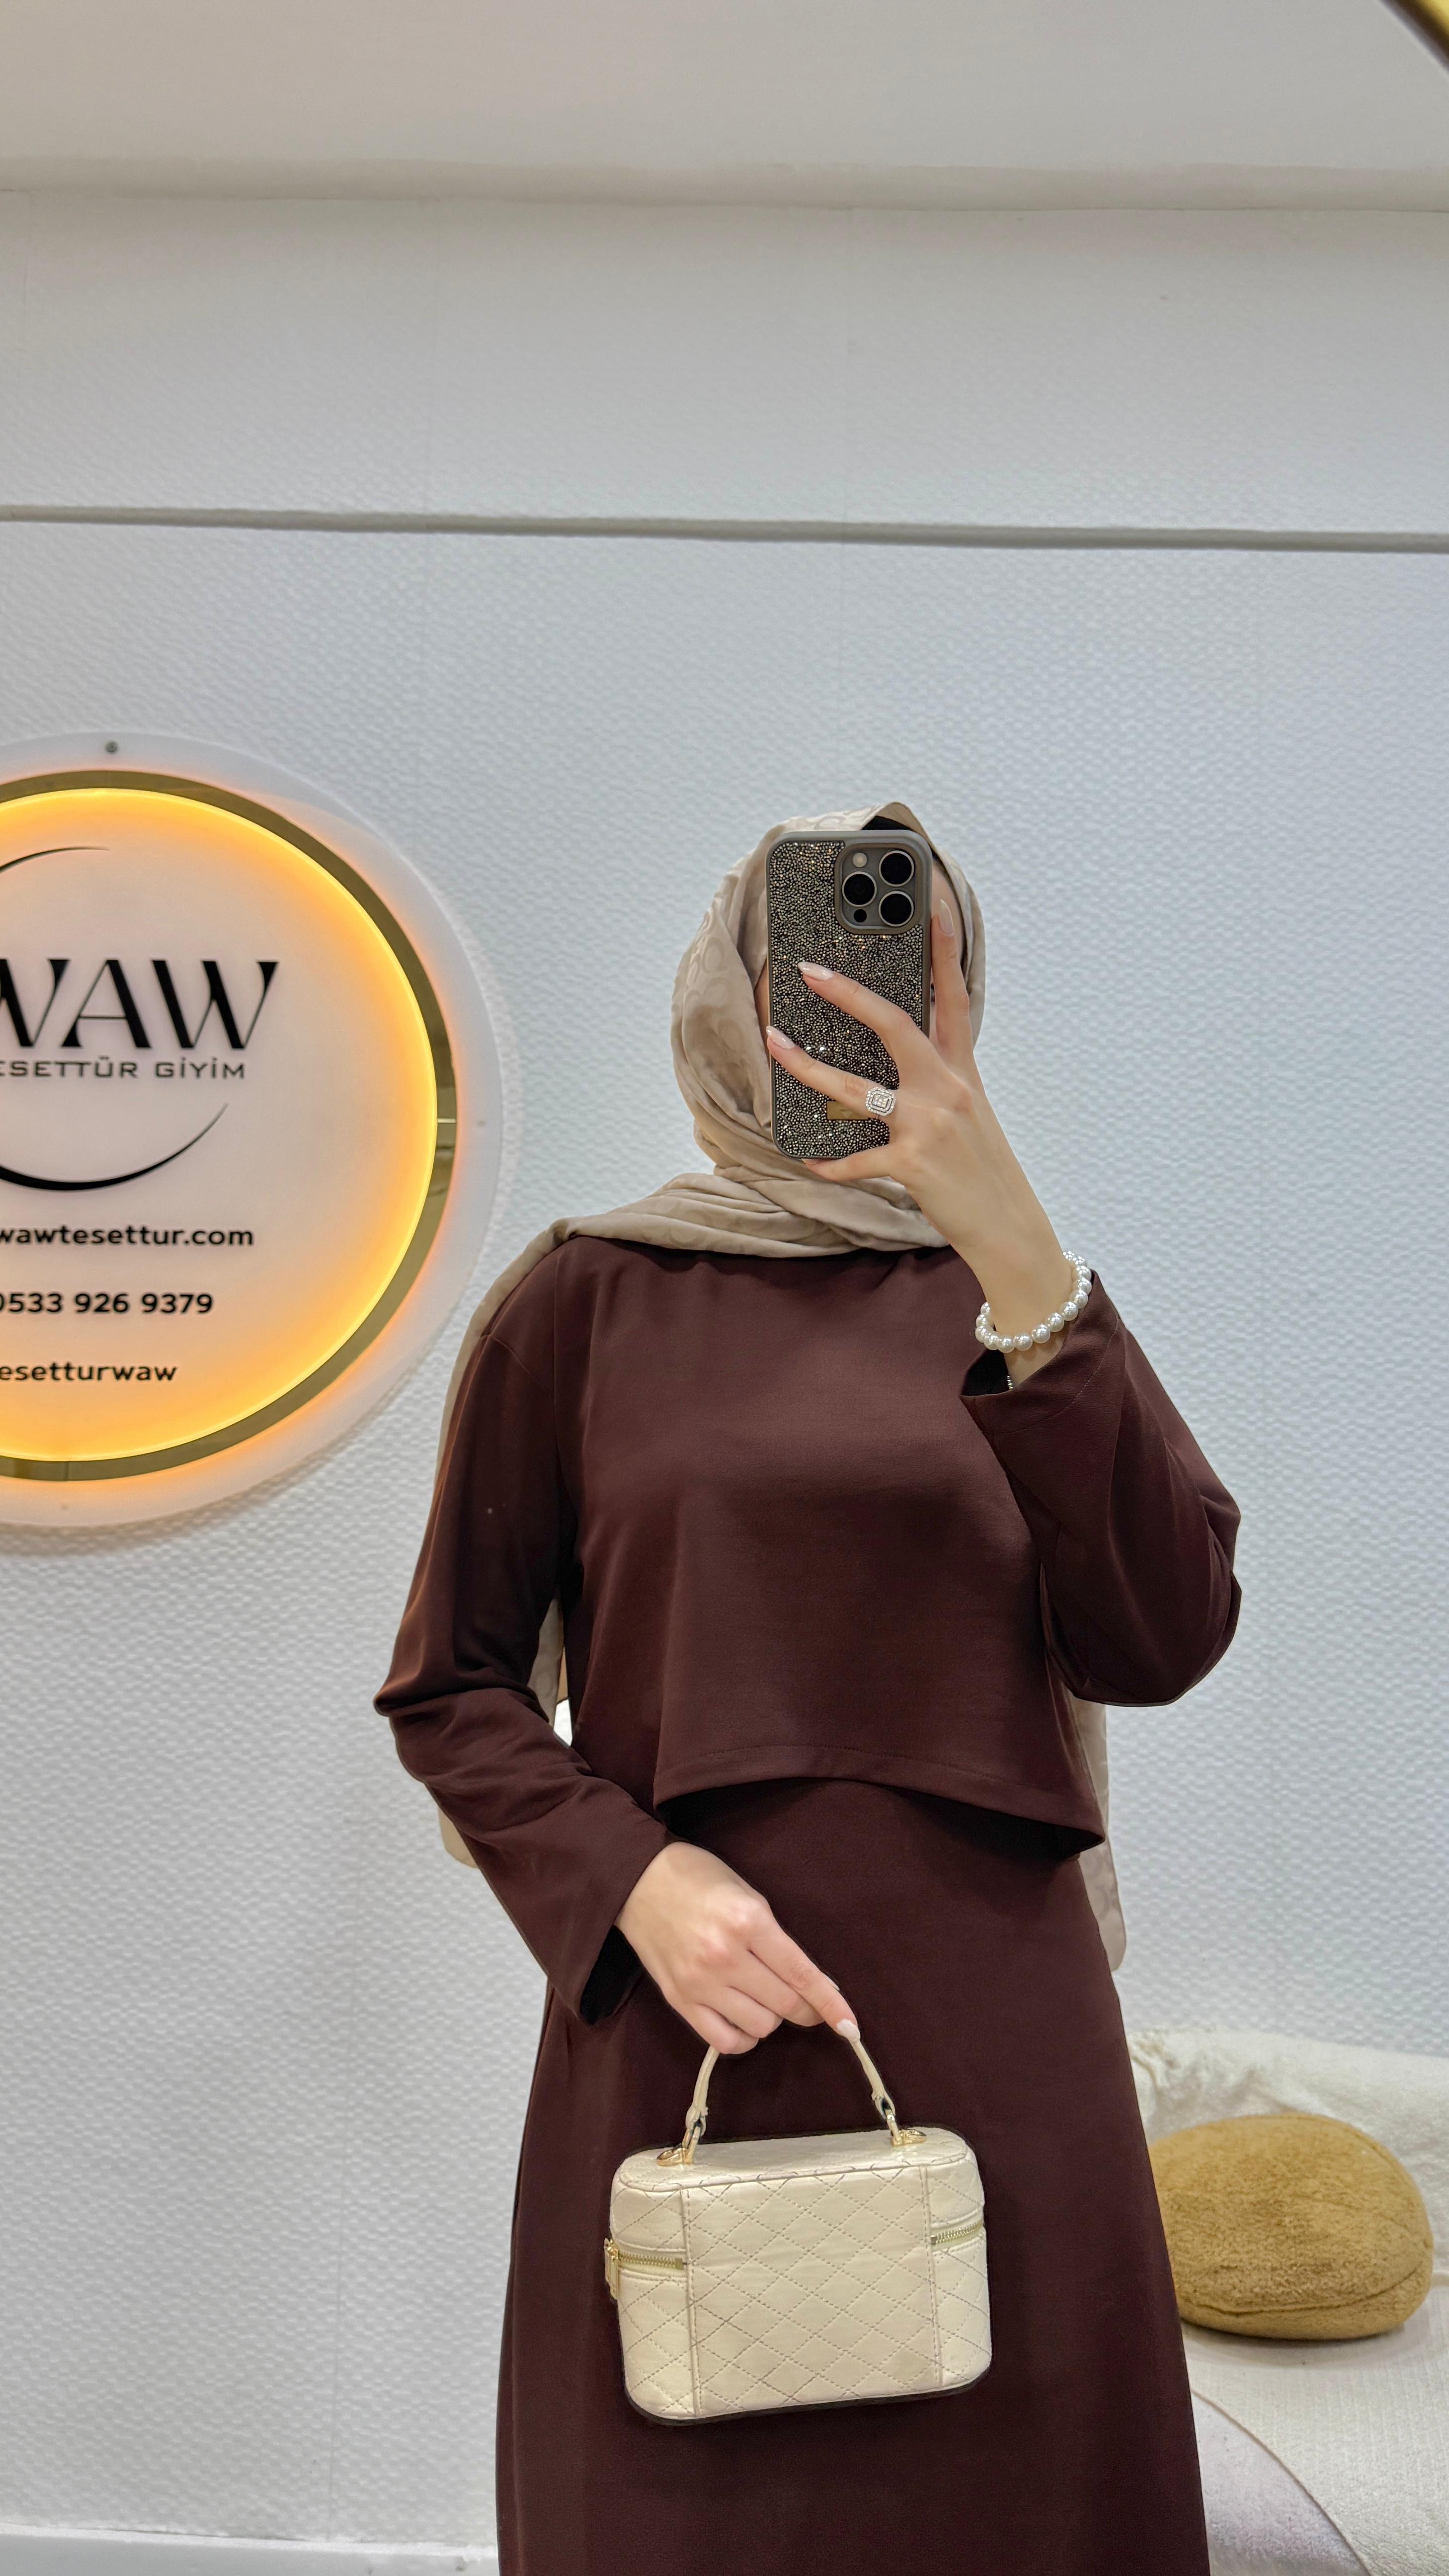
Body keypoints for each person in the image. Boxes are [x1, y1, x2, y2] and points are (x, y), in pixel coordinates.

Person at [376, 801, 1240, 2575]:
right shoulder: (586, 1301)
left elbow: (1167, 1633)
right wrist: (634, 1882)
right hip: (685, 2015)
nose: (863, 1015)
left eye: (916, 974)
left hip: (1004, 2038)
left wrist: (1020, 1251)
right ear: (734, 995)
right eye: (819, 973)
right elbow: (450, 1687)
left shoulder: (1026, 1307)